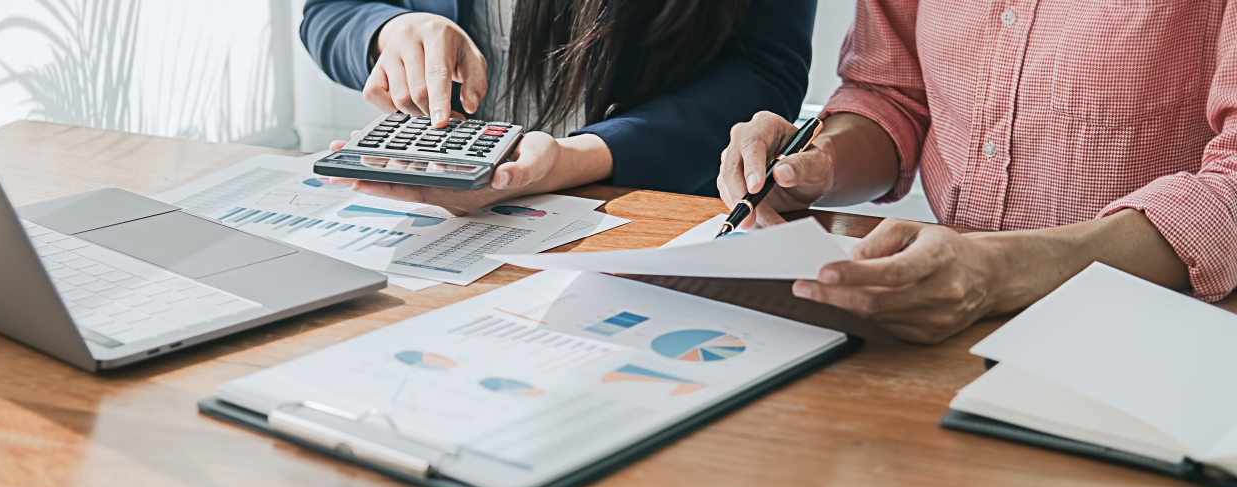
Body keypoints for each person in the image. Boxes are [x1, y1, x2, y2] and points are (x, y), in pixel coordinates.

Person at [719, 0, 1237, 344]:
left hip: (1159, 331)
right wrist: (819, 164)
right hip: (938, 312)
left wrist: (997, 272)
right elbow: (892, 92)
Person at [301, 0, 816, 214]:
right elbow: (329, 10)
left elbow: (766, 69)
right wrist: (388, 30)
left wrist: (580, 158)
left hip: (641, 210)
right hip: (441, 221)